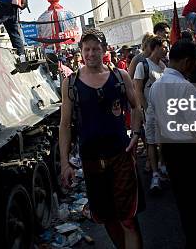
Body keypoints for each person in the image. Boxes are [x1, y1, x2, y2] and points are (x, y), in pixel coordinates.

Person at [59, 28, 144, 249]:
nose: (91, 53)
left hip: (121, 156)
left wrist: (135, 134)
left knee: (128, 219)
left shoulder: (120, 76)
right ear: (81, 52)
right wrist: (64, 162)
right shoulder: (71, 83)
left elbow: (136, 107)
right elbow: (65, 124)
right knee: (108, 218)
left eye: (95, 48)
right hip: (92, 162)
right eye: (86, 49)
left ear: (104, 50)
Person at [146, 40, 196, 248]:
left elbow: (156, 125)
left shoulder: (155, 87)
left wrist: (162, 159)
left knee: (184, 201)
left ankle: (194, 239)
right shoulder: (185, 88)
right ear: (187, 62)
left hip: (172, 151)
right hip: (190, 152)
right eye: (195, 61)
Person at [133, 36, 168, 192]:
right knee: (152, 143)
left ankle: (163, 166)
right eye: (164, 47)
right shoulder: (143, 66)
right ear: (156, 48)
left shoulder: (163, 67)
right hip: (151, 113)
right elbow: (138, 90)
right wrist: (146, 110)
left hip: (164, 113)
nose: (166, 50)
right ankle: (155, 174)